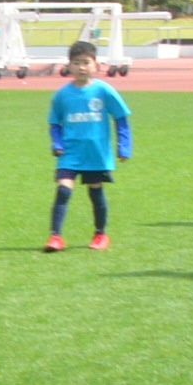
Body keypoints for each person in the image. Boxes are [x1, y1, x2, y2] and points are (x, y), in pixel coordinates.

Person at [44, 40, 130, 251]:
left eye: (86, 62)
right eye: (76, 63)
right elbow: (54, 122)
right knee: (63, 190)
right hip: (70, 152)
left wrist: (124, 146)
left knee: (95, 192)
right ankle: (56, 237)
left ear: (96, 65)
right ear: (69, 66)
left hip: (96, 153)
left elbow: (121, 118)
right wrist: (56, 143)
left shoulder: (104, 91)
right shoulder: (62, 94)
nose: (81, 67)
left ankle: (100, 234)